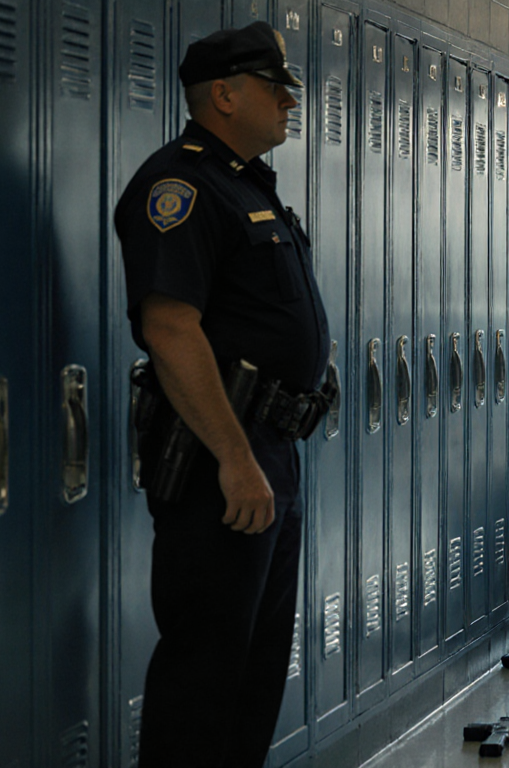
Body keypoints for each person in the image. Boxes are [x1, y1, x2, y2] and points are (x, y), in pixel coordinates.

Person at [115, 22, 330, 766]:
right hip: (219, 460)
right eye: (276, 89)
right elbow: (171, 329)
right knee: (205, 670)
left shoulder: (242, 185)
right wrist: (237, 461)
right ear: (225, 94)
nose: (289, 102)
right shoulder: (178, 186)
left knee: (255, 668)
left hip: (268, 449)